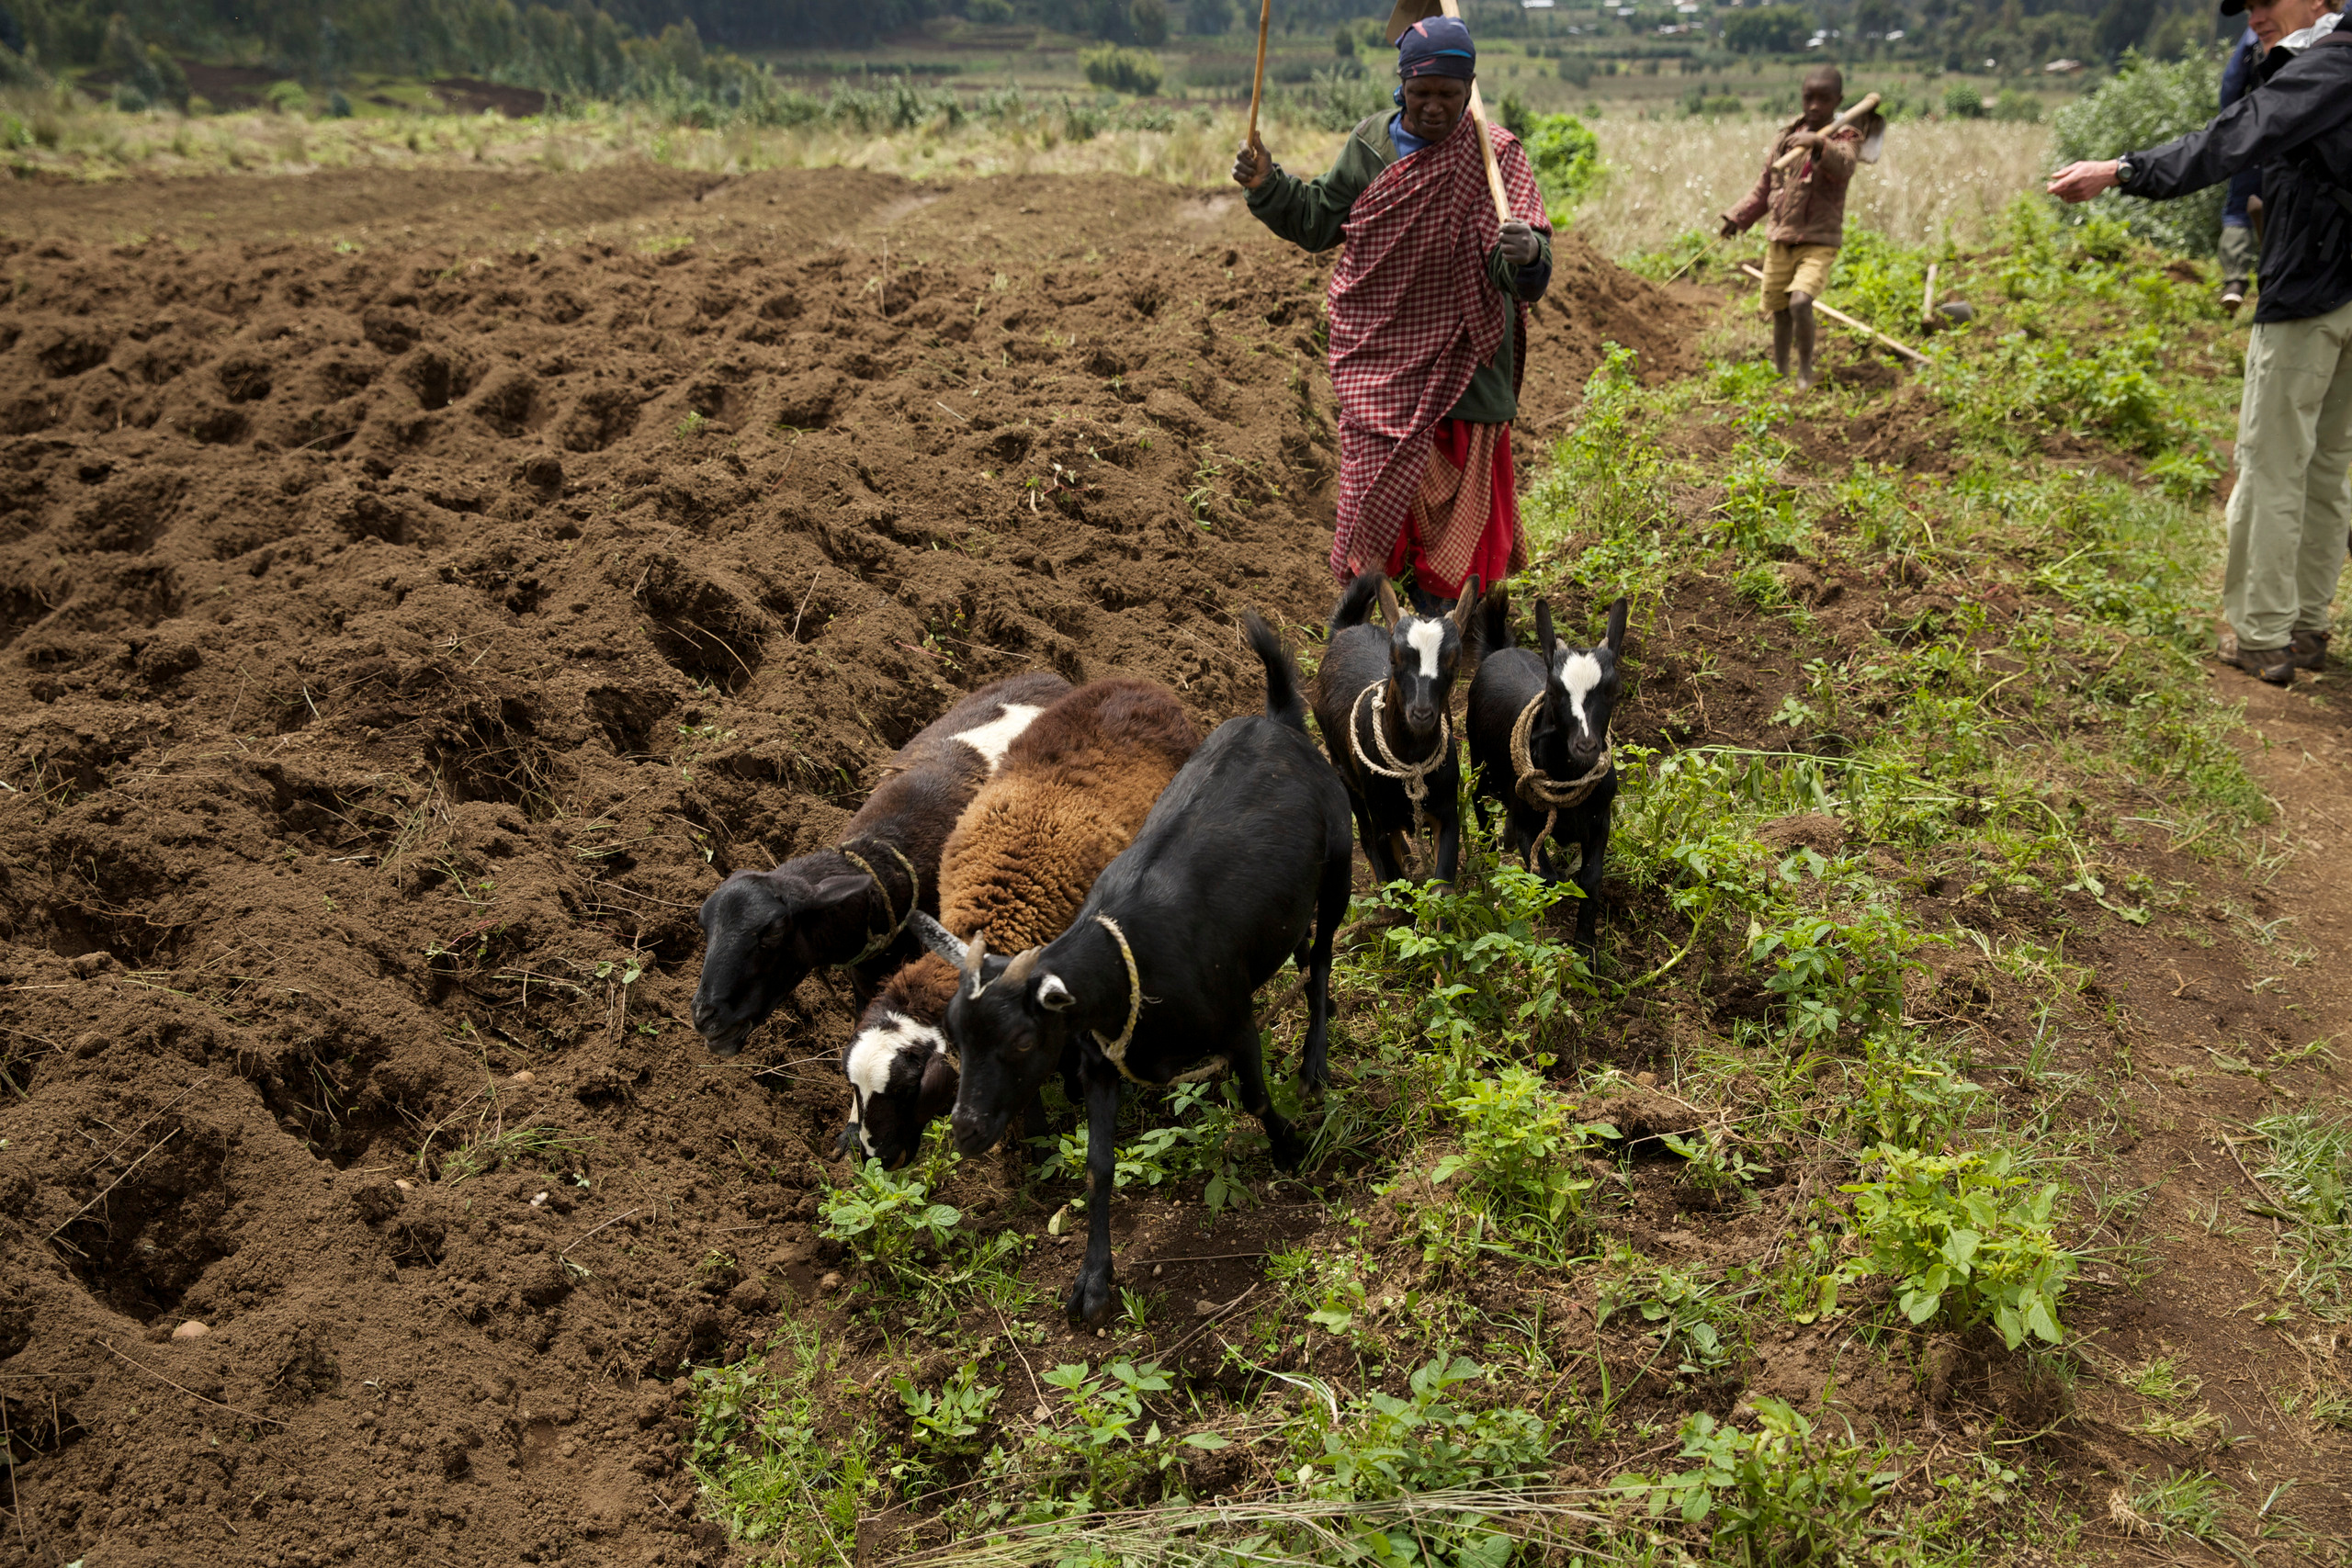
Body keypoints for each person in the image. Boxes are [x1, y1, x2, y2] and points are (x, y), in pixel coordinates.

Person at [2048, 0, 2352, 686]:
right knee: (2330, 465)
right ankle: (2308, 627)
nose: (2254, 17)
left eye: (2265, 1)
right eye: (2245, 8)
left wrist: (2124, 170)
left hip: (2309, 287)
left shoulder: (2326, 64)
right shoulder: (2315, 56)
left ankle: (2263, 635)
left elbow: (2233, 138)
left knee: (2274, 462)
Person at [1231, 16, 1552, 611]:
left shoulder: (1495, 155)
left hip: (1464, 358)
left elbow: (1524, 258)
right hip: (1379, 354)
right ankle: (1362, 621)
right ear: (1401, 85)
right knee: (1375, 485)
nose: (1434, 108)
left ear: (1470, 89)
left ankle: (1444, 626)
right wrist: (1268, 184)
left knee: (1457, 499)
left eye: (1449, 96)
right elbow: (1319, 218)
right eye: (1422, 93)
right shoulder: (1372, 145)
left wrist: (1527, 253)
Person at [1719, 63, 1864, 390]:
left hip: (1819, 239)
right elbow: (1763, 188)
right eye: (1808, 97)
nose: (1814, 106)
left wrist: (1818, 144)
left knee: (1800, 302)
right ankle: (1781, 372)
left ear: (1838, 100)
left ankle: (1805, 371)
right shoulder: (1786, 138)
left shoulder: (1846, 137)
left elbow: (1844, 167)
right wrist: (1737, 217)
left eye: (1823, 99)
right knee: (1780, 310)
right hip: (1781, 238)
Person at [2218, 25, 2263, 310]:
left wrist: (2235, 130)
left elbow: (2232, 84)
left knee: (2240, 206)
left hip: (2259, 129)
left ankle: (2235, 280)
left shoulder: (2259, 29)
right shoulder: (2342, 17)